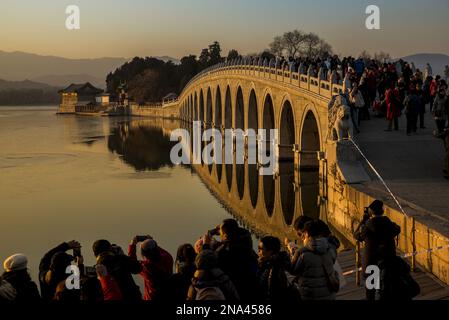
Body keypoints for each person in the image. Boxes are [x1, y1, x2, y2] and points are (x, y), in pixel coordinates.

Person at [354, 200, 401, 300]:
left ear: (371, 212)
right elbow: (398, 228)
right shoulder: (389, 224)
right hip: (387, 261)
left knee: (370, 292)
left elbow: (356, 235)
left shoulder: (367, 226)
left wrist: (363, 221)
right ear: (382, 211)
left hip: (371, 263)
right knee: (386, 290)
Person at [203, 219, 259, 300]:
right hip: (250, 286)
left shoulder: (223, 252)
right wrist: (220, 238)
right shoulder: (245, 240)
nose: (220, 235)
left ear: (226, 235)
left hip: (234, 289)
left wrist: (206, 246)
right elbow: (232, 243)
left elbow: (207, 263)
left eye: (221, 233)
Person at [291, 220, 338, 300]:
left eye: (303, 234)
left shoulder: (302, 253)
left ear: (307, 234)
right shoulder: (331, 250)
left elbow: (293, 271)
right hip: (329, 294)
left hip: (309, 295)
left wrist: (293, 254)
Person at [128, 236, 173, 300]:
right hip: (168, 296)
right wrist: (150, 242)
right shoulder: (168, 258)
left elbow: (132, 265)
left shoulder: (145, 267)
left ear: (143, 254)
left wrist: (132, 244)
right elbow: (158, 251)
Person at [257, 236, 291, 301]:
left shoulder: (274, 268)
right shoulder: (268, 263)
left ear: (270, 251)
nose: (258, 251)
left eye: (261, 249)